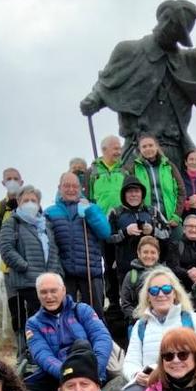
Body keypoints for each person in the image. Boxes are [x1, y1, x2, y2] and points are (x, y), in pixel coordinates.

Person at [79, 0, 196, 173]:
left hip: (175, 151)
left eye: (175, 26)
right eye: (166, 19)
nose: (167, 27)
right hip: (137, 150)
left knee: (176, 197)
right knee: (134, 197)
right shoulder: (128, 50)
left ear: (181, 36)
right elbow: (106, 86)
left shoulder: (190, 61)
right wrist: (93, 100)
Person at [23, 273, 114, 391]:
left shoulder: (82, 310)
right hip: (56, 375)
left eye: (53, 291)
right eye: (43, 292)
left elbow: (102, 338)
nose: (49, 296)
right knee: (14, 390)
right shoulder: (33, 323)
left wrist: (93, 369)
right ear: (38, 295)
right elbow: (42, 355)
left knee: (81, 345)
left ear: (63, 290)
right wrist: (66, 374)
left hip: (89, 368)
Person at [120, 266, 196, 391]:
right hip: (151, 385)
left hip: (188, 382)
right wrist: (136, 375)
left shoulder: (192, 319)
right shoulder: (141, 325)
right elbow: (130, 361)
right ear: (148, 296)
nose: (160, 294)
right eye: (154, 290)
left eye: (166, 289)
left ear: (175, 293)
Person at [0, 185, 62, 360]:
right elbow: (6, 249)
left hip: (47, 281)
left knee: (50, 318)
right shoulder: (12, 222)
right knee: (32, 320)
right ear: (19, 202)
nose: (30, 203)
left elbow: (54, 250)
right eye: (26, 200)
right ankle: (31, 355)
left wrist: (55, 273)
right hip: (26, 281)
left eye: (33, 201)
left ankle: (50, 353)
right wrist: (25, 266)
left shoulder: (45, 224)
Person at [47, 172, 111, 319]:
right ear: (59, 188)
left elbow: (105, 232)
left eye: (75, 186)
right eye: (66, 186)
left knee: (95, 316)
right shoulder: (50, 212)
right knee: (66, 315)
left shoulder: (92, 207)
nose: (71, 189)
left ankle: (100, 341)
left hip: (91, 271)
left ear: (81, 188)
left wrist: (89, 212)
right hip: (64, 273)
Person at [89, 135, 129, 320]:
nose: (118, 151)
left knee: (122, 261)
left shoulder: (125, 170)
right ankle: (112, 299)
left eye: (119, 148)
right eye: (114, 148)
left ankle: (124, 296)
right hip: (102, 224)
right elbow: (89, 199)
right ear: (104, 149)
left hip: (122, 221)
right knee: (107, 262)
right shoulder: (93, 172)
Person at [124, 135, 186, 241]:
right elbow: (129, 193)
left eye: (150, 145)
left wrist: (176, 216)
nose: (148, 149)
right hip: (147, 220)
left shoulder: (169, 166)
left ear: (156, 147)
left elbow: (181, 191)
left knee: (177, 251)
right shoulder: (133, 168)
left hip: (170, 219)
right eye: (144, 147)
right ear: (140, 149)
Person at [108, 175, 168, 270]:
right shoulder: (115, 213)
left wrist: (153, 231)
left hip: (151, 265)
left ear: (142, 194)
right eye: (130, 192)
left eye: (137, 191)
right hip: (125, 267)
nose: (134, 195)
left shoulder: (153, 211)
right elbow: (107, 238)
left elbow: (167, 233)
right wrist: (125, 232)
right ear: (124, 195)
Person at [0, 168, 24, 345]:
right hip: (9, 267)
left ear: (21, 181)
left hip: (31, 264)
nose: (12, 181)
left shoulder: (30, 201)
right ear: (3, 183)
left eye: (15, 178)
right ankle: (20, 347)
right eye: (8, 179)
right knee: (16, 308)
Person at [119, 237, 163, 325]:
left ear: (158, 254)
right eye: (145, 252)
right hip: (138, 322)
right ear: (138, 253)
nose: (149, 256)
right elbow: (125, 304)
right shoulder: (131, 276)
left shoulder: (164, 274)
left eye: (153, 252)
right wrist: (141, 318)